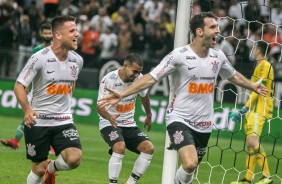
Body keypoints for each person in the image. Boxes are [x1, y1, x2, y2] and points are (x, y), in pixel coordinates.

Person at [98, 12, 268, 184]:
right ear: (200, 31)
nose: (218, 30)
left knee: (190, 168)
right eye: (213, 27)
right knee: (190, 161)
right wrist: (122, 93)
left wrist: (252, 86)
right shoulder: (179, 56)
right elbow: (151, 77)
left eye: (217, 26)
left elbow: (232, 76)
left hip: (204, 124)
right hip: (179, 119)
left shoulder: (218, 56)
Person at [14, 16, 83, 184]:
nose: (77, 34)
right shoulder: (40, 58)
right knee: (38, 169)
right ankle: (44, 170)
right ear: (58, 35)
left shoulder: (77, 61)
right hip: (39, 122)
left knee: (74, 158)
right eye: (72, 31)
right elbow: (18, 85)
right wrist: (28, 110)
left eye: (77, 30)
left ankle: (51, 169)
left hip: (63, 121)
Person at [97, 53, 154, 184]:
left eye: (139, 72)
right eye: (134, 71)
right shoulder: (109, 79)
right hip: (109, 122)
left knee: (148, 148)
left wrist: (149, 115)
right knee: (119, 147)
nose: (136, 75)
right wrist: (109, 117)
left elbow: (144, 96)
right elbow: (99, 107)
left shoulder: (139, 79)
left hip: (129, 124)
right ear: (125, 65)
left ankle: (130, 183)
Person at [1, 22, 53, 152]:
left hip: (53, 89)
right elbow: (31, 69)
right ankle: (17, 140)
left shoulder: (57, 49)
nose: (47, 35)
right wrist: (27, 85)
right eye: (45, 32)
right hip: (39, 89)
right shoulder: (37, 50)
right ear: (41, 34)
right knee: (32, 114)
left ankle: (18, 140)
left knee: (50, 116)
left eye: (49, 33)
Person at [230, 41, 274, 184]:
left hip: (258, 109)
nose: (253, 50)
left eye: (254, 48)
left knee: (252, 141)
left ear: (259, 50)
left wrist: (245, 108)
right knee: (250, 145)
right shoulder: (259, 65)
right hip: (253, 110)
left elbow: (258, 89)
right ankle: (248, 179)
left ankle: (267, 176)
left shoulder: (265, 66)